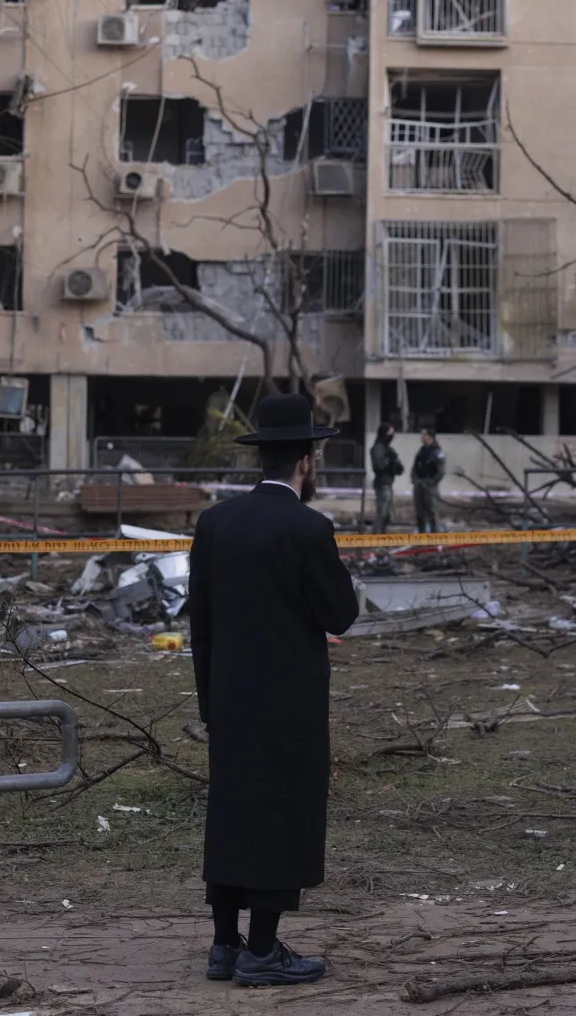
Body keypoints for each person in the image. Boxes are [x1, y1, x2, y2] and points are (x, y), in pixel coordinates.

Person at [187, 393, 360, 987]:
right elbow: (340, 614)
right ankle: (262, 949)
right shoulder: (309, 528)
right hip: (290, 703)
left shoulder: (215, 524)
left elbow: (200, 624)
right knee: (281, 816)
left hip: (230, 698)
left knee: (232, 812)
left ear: (261, 457)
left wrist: (210, 701)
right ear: (307, 462)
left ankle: (223, 945)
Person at [369, 422, 404, 534]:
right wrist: (391, 462)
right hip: (382, 485)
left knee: (388, 515)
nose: (392, 435)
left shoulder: (388, 449)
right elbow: (379, 466)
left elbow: (399, 468)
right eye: (390, 432)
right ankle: (376, 540)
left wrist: (395, 464)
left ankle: (381, 537)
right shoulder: (378, 448)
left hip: (388, 484)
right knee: (382, 514)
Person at [411, 429, 445, 534]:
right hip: (419, 484)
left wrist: (430, 483)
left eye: (424, 435)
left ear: (430, 437)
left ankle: (434, 536)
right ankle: (421, 535)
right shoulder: (421, 451)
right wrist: (415, 480)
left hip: (430, 486)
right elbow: (415, 467)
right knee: (419, 512)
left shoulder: (437, 452)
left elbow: (440, 472)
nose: (422, 437)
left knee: (432, 512)